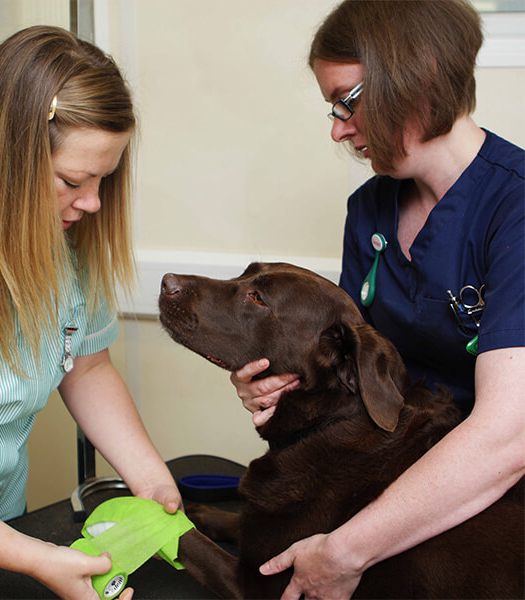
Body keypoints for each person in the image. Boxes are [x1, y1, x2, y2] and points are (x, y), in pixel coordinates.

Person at [231, 1, 524, 598]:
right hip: (398, 472)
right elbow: (348, 374)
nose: (338, 128)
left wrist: (345, 550)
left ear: (416, 76)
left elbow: (508, 434)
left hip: (496, 496)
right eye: (331, 109)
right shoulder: (370, 209)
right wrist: (271, 383)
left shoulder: (514, 208)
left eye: (348, 101)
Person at [0, 26, 181, 600]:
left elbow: (85, 365)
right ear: (2, 149)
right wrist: (37, 558)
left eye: (102, 181)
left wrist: (150, 478)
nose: (92, 202)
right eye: (73, 180)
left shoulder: (61, 232)